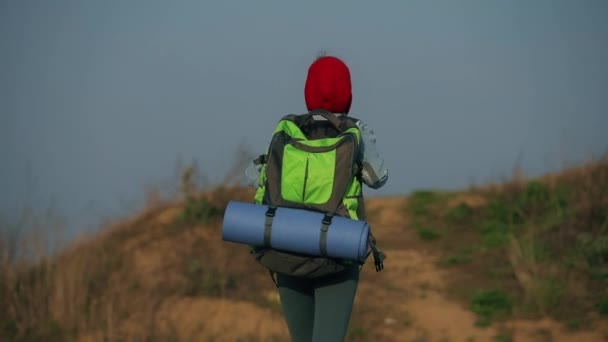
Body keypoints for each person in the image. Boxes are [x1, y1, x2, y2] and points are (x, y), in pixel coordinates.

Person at [244, 55, 388, 342]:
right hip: (338, 250)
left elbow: (252, 176)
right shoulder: (354, 130)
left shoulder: (287, 129)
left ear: (307, 92)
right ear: (348, 95)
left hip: (286, 246)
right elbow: (378, 178)